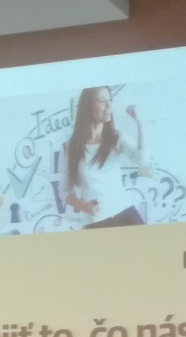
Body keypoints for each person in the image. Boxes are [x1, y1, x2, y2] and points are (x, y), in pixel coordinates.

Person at [62, 85, 147, 229]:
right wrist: (83, 206)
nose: (108, 106)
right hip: (96, 222)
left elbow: (142, 162)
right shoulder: (69, 147)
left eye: (110, 100)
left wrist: (139, 122)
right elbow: (64, 190)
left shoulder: (116, 137)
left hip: (126, 213)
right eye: (101, 101)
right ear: (87, 107)